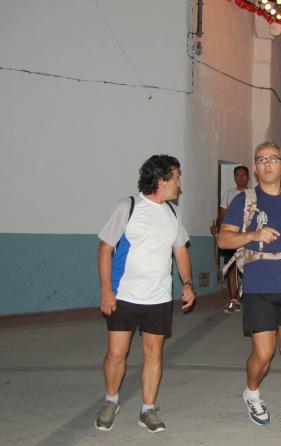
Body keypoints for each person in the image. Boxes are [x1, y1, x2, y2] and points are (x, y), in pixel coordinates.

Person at [218, 142, 281, 438]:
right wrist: (254, 234)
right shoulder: (245, 201)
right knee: (263, 354)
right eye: (261, 160)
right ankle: (252, 392)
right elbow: (224, 240)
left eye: (273, 159)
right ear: (255, 167)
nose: (267, 164)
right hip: (259, 286)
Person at [95, 155, 196, 433]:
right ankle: (111, 401)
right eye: (176, 177)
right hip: (124, 296)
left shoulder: (172, 213)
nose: (179, 183)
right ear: (161, 180)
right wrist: (106, 290)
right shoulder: (128, 206)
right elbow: (105, 249)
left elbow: (180, 251)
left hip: (159, 299)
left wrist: (187, 283)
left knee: (154, 354)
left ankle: (148, 409)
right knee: (117, 353)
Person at [211, 165, 250, 313]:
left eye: (243, 175)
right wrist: (217, 227)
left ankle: (252, 298)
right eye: (237, 175)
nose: (240, 178)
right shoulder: (228, 194)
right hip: (232, 236)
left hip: (247, 237)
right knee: (231, 267)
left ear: (248, 177)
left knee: (250, 268)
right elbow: (222, 215)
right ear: (234, 178)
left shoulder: (253, 195)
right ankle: (234, 300)